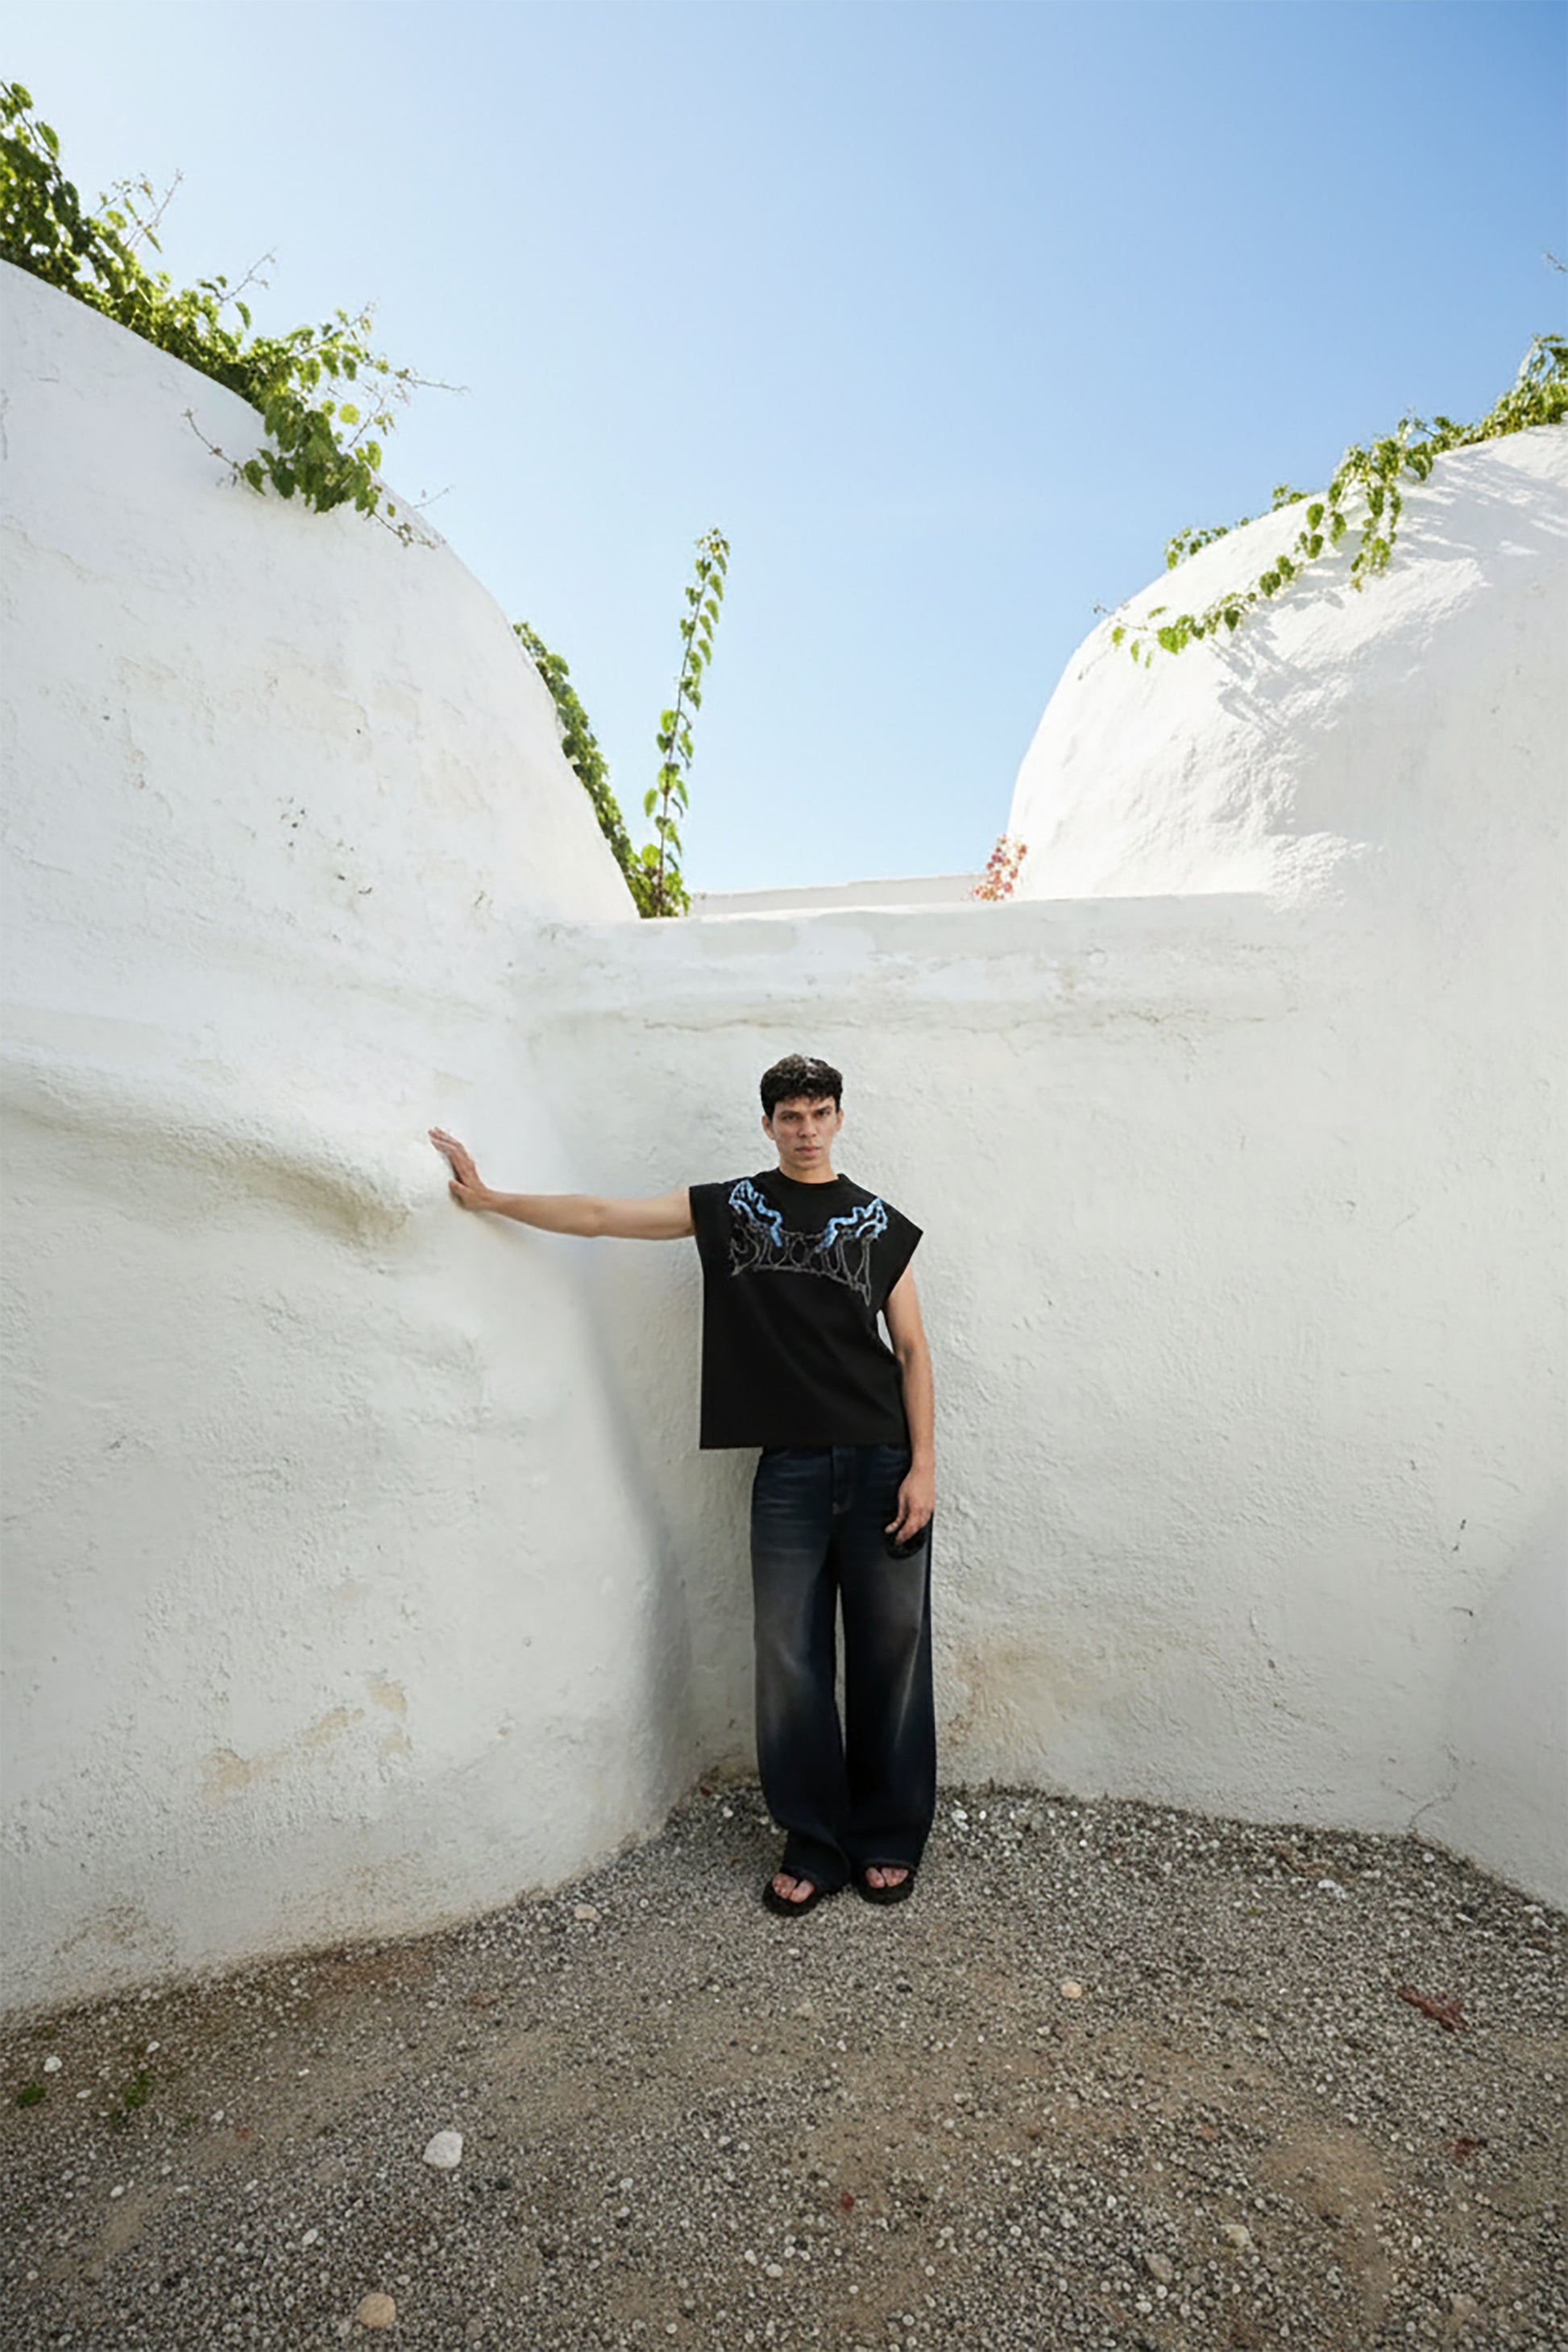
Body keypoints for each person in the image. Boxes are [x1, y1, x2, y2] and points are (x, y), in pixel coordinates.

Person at [429, 1052, 936, 1918]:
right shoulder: (731, 1208)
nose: (805, 1130)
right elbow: (602, 1217)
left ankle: (887, 1835)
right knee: (789, 1658)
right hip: (789, 1470)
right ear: (767, 1125)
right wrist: (492, 1198)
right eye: (790, 1116)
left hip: (885, 1459)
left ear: (839, 1119)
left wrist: (923, 1466)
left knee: (892, 1650)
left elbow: (913, 1350)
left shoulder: (877, 1221)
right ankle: (813, 1842)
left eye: (819, 1113)